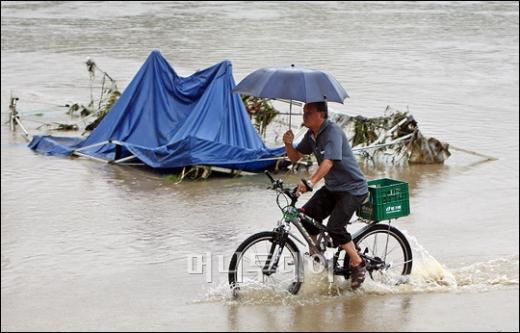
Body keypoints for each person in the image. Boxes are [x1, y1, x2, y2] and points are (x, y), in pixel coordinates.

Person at [283, 101, 369, 289]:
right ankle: (318, 257)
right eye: (303, 112)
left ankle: (357, 262)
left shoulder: (332, 132)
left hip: (352, 189)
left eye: (308, 112)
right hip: (333, 187)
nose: (304, 116)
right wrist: (288, 144)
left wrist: (311, 182)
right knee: (306, 218)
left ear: (321, 115)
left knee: (335, 227)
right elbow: (295, 157)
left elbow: (328, 162)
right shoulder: (312, 135)